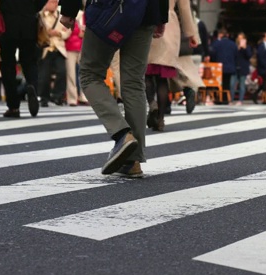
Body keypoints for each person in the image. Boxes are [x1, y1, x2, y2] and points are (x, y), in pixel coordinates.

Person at [60, 0, 168, 177]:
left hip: (107, 8)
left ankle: (121, 134)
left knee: (89, 74)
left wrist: (68, 10)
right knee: (134, 83)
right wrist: (160, 16)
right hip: (145, 10)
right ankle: (132, 161)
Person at [145, 0, 199, 130]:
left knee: (146, 75)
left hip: (147, 21)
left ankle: (152, 104)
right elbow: (184, 8)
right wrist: (191, 34)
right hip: (169, 25)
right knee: (162, 79)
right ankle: (161, 119)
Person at [0, 0, 47, 118]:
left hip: (7, 22)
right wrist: (32, 8)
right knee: (30, 61)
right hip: (29, 21)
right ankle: (32, 86)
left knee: (7, 64)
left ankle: (13, 105)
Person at [38, 0, 71, 107]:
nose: (54, 4)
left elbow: (68, 31)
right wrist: (46, 33)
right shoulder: (40, 14)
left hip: (59, 48)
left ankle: (57, 96)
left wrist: (59, 33)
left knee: (62, 72)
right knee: (44, 75)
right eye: (52, 2)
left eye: (56, 2)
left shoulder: (62, 16)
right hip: (45, 49)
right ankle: (44, 97)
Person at [64, 14, 88, 106]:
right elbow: (65, 32)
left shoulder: (83, 15)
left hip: (82, 47)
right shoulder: (67, 14)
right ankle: (72, 99)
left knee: (83, 73)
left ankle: (83, 97)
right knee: (71, 75)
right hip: (70, 47)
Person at [210, 28, 237, 104]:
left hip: (218, 67)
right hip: (229, 67)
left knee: (217, 84)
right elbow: (236, 55)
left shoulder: (216, 44)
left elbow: (213, 54)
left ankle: (218, 99)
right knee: (226, 84)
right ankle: (225, 99)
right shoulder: (233, 44)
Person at [253, 32, 266, 104]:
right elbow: (261, 58)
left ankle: (257, 95)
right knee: (265, 83)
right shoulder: (262, 46)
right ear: (264, 38)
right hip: (263, 68)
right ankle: (264, 98)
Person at [233, 32, 252, 105]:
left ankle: (240, 100)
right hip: (235, 67)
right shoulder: (235, 46)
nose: (240, 40)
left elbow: (249, 56)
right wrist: (237, 49)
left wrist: (244, 48)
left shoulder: (247, 47)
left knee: (242, 85)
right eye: (239, 38)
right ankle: (231, 99)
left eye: (241, 38)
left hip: (243, 68)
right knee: (233, 84)